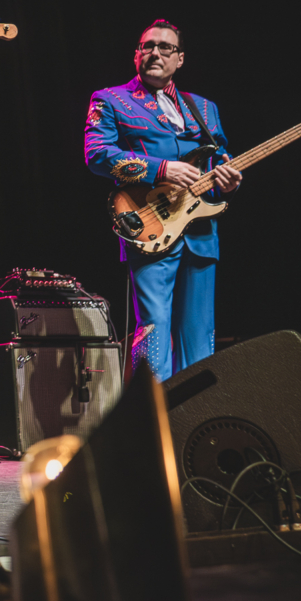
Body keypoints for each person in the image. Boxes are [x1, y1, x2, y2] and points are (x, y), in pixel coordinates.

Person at [85, 19, 242, 380]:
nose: (155, 52)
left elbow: (220, 158)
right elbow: (97, 154)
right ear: (136, 55)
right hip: (151, 226)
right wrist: (162, 169)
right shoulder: (110, 99)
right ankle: (154, 412)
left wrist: (229, 182)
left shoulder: (204, 108)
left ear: (180, 58)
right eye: (148, 46)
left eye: (165, 47)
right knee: (154, 332)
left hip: (201, 232)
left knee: (200, 336)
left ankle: (195, 410)